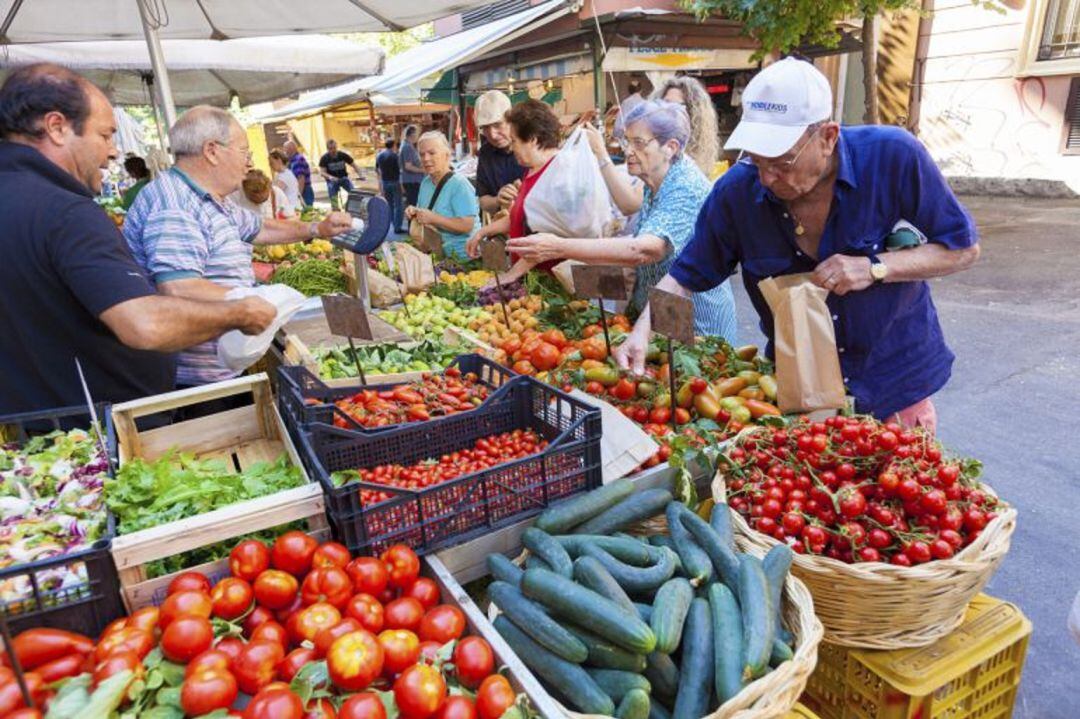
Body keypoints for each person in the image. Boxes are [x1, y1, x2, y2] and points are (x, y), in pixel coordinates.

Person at [616, 58, 982, 432]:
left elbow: (962, 248)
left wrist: (874, 267)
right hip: (799, 386)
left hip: (893, 383)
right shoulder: (737, 192)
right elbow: (686, 274)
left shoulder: (892, 156)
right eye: (756, 159)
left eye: (782, 162)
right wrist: (643, 330)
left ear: (828, 137)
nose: (767, 177)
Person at [0, 63, 277, 414]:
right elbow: (145, 324)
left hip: (40, 429)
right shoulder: (65, 211)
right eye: (105, 135)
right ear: (56, 127)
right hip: (100, 426)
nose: (114, 152)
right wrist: (240, 312)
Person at [124, 105, 353, 390]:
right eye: (244, 152)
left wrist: (317, 228)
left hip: (218, 369)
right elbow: (179, 288)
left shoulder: (209, 198)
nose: (249, 163)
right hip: (196, 385)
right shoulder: (175, 206)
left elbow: (260, 227)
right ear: (212, 151)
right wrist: (253, 303)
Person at [506, 101, 738, 341]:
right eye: (626, 141)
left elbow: (646, 249)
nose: (628, 151)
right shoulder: (654, 180)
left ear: (670, 147)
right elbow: (645, 251)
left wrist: (558, 247)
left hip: (695, 325)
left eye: (639, 143)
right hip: (661, 315)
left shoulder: (685, 186)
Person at [465, 100, 561, 282]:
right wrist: (483, 232)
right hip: (530, 274)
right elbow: (520, 217)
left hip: (550, 278)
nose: (512, 147)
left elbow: (547, 237)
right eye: (485, 128)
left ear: (532, 140)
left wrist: (511, 274)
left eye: (514, 141)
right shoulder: (530, 170)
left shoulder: (555, 173)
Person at [404, 131, 480, 261]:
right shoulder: (426, 183)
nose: (426, 159)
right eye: (422, 154)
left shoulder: (459, 184)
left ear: (446, 155)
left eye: (432, 153)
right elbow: (426, 212)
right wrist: (414, 212)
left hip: (464, 259)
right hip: (436, 255)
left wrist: (434, 218)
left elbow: (467, 225)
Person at [651, 75, 720, 177]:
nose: (672, 111)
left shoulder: (693, 166)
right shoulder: (646, 149)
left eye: (680, 107)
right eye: (666, 104)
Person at [473, 90, 526, 215]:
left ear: (511, 120)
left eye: (497, 125)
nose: (492, 135)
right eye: (485, 127)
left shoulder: (530, 145)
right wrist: (498, 199)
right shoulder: (486, 152)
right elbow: (483, 200)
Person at [318, 139, 362, 209]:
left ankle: (349, 205)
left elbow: (354, 165)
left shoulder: (342, 155)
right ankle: (335, 208)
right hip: (332, 180)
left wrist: (361, 175)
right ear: (327, 149)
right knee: (333, 195)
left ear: (337, 147)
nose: (333, 150)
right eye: (330, 149)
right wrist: (331, 177)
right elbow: (322, 172)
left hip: (343, 178)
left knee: (354, 193)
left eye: (334, 148)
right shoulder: (324, 158)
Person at [375, 139, 404, 234]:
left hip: (385, 182)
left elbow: (377, 170)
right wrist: (402, 185)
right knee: (398, 205)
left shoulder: (379, 155)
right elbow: (400, 170)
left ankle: (391, 223)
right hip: (395, 182)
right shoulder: (395, 156)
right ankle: (397, 227)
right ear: (394, 145)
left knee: (390, 204)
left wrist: (380, 184)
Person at [399, 124, 424, 208]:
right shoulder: (407, 147)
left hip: (411, 181)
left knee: (414, 205)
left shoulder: (407, 145)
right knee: (414, 206)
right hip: (412, 181)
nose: (418, 136)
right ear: (413, 134)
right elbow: (408, 166)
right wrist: (423, 170)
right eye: (417, 134)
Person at [283, 139, 313, 208]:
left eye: (285, 149)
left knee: (307, 211)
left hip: (304, 190)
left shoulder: (298, 159)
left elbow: (301, 178)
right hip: (299, 190)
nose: (284, 151)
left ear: (291, 149)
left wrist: (299, 195)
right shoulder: (291, 161)